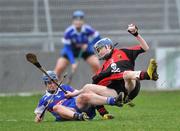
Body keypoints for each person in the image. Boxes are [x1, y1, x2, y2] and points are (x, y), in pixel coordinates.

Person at [65, 24, 159, 106]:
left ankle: (148, 75)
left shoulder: (123, 52)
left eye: (99, 49)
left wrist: (136, 34)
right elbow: (91, 89)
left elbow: (145, 48)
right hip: (117, 94)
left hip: (131, 87)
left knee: (126, 74)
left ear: (108, 46)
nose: (98, 53)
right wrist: (74, 93)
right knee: (88, 87)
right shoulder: (104, 67)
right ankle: (108, 109)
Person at [34, 71, 115, 123]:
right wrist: (38, 119)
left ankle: (111, 103)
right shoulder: (43, 100)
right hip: (65, 114)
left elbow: (77, 93)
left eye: (54, 82)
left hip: (78, 106)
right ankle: (80, 117)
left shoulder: (64, 87)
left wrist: (72, 94)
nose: (52, 85)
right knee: (56, 108)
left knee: (85, 94)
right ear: (45, 84)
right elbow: (39, 116)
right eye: (49, 83)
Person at [54, 10, 101, 79]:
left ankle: (98, 83)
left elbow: (97, 37)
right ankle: (56, 87)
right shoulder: (68, 32)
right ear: (73, 21)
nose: (78, 22)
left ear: (83, 21)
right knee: (59, 68)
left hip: (85, 50)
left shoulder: (87, 29)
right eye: (76, 20)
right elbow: (68, 48)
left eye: (80, 20)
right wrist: (73, 62)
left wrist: (88, 44)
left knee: (96, 64)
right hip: (71, 51)